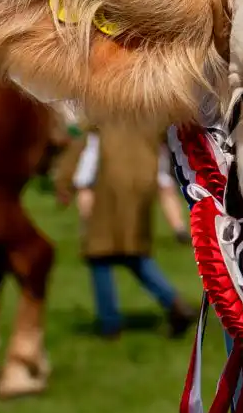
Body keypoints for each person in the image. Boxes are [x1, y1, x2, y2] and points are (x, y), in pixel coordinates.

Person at [75, 119, 193, 339]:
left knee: (99, 256)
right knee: (135, 255)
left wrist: (83, 212)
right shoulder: (150, 123)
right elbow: (161, 170)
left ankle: (109, 324)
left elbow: (86, 170)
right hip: (140, 192)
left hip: (107, 193)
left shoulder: (102, 122)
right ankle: (176, 304)